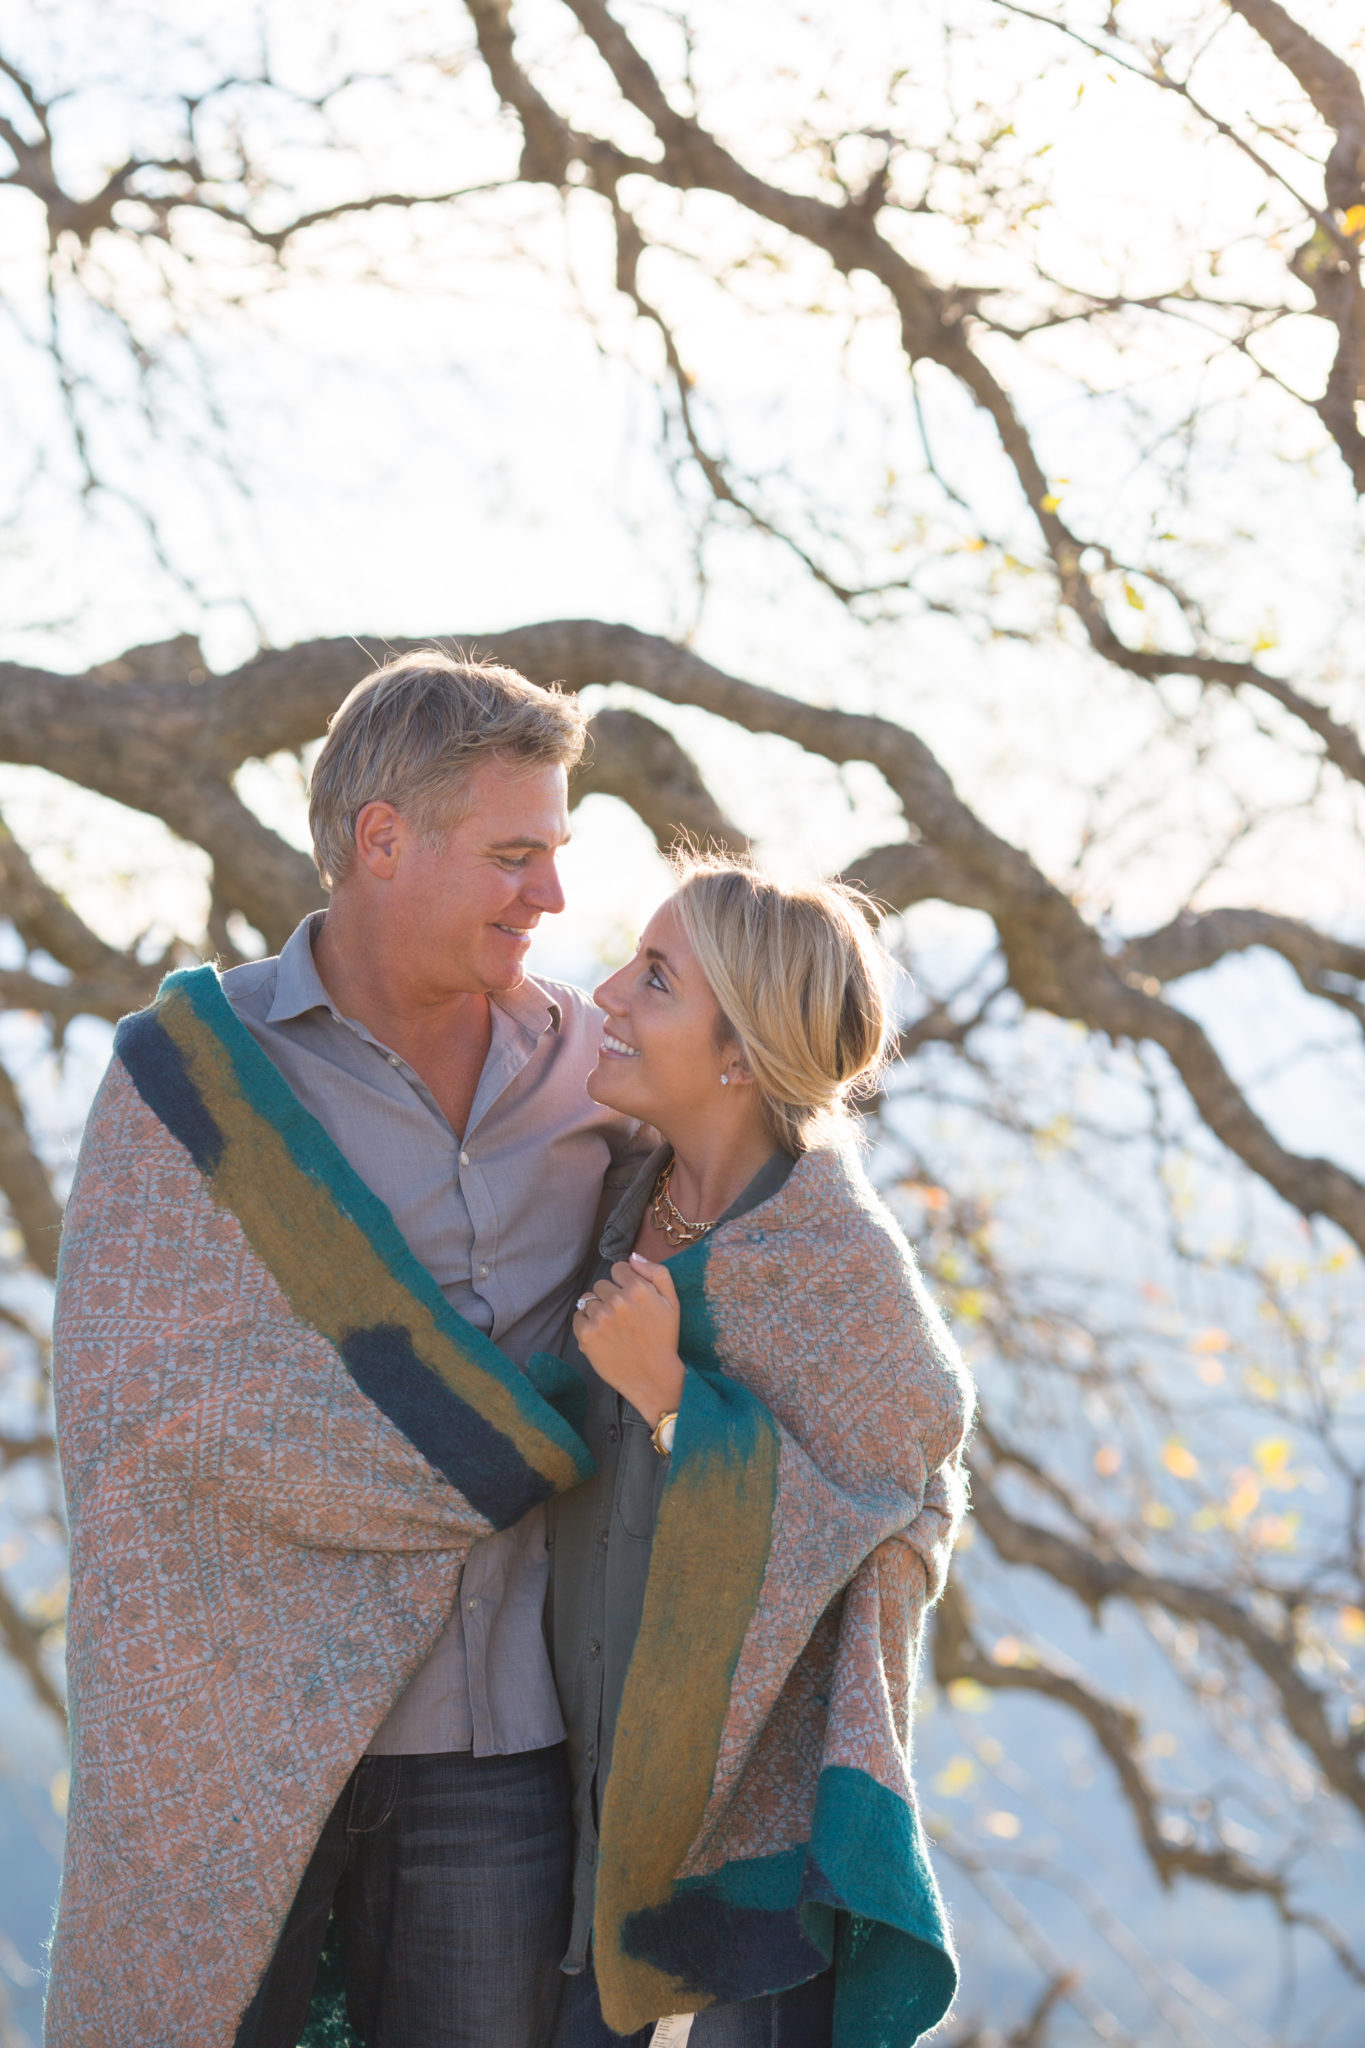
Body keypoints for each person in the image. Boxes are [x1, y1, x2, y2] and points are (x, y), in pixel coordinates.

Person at [47, 651, 652, 2048]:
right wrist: (460, 1451)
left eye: (555, 853)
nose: (550, 897)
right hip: (240, 1736)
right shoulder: (188, 1075)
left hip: (502, 1754)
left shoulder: (594, 1072)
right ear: (382, 841)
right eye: (513, 854)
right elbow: (136, 1417)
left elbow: (754, 1231)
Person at [545, 857, 974, 2048]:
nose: (608, 993)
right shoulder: (616, 1186)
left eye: (657, 978)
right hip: (562, 1775)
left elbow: (903, 1482)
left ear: (738, 1052)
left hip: (750, 1819)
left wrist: (683, 1404)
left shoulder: (831, 1259)